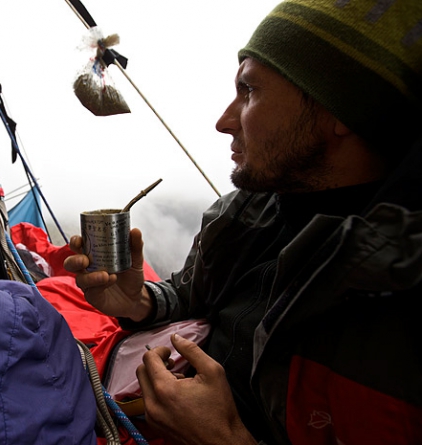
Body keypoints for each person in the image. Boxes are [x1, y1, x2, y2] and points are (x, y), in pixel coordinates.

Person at [64, 0, 422, 444]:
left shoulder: (400, 304)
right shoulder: (248, 211)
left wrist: (226, 438)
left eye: (249, 91)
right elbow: (190, 297)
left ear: (342, 111)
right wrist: (139, 302)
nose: (223, 121)